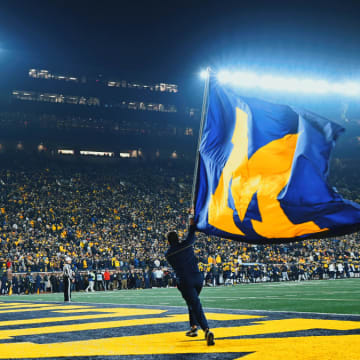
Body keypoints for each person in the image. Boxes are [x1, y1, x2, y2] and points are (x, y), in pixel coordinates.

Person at [165, 212, 215, 346]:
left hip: (185, 281)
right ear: (178, 238)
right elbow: (192, 233)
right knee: (192, 303)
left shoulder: (168, 254)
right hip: (198, 278)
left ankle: (206, 330)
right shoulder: (187, 244)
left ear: (168, 242)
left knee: (195, 305)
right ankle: (193, 327)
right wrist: (191, 221)